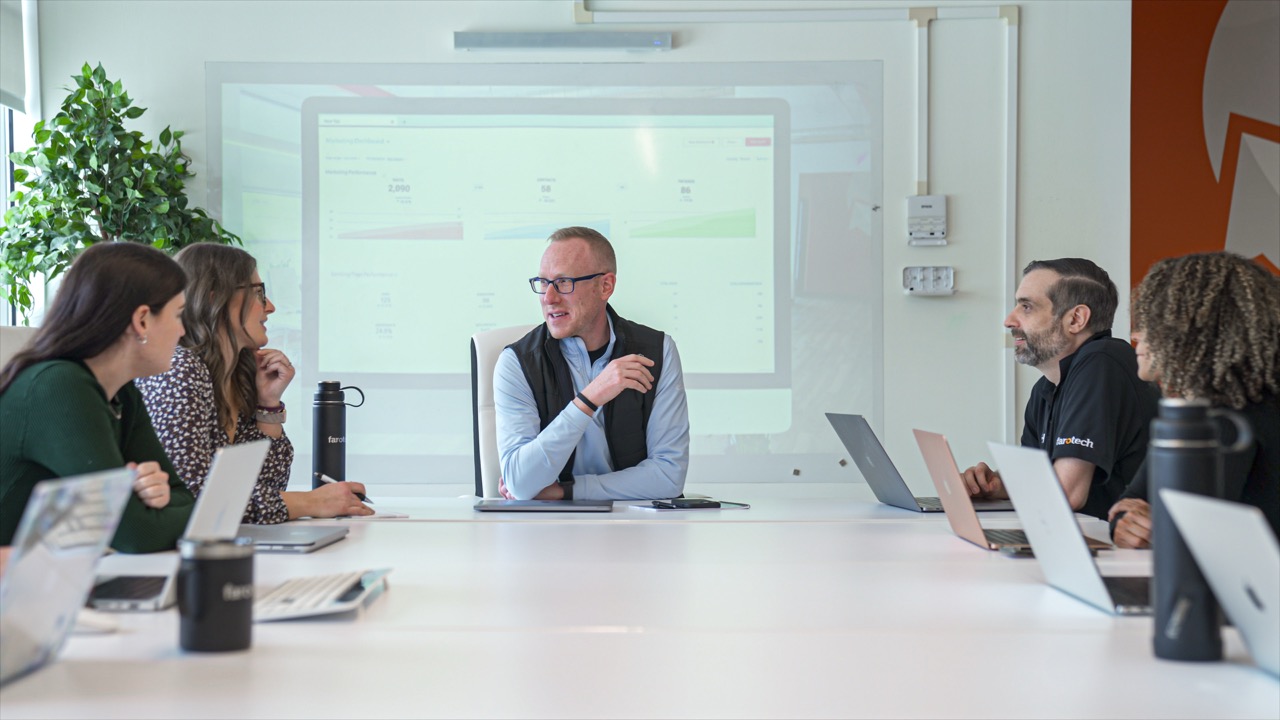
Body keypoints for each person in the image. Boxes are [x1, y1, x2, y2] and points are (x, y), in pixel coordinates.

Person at [135, 244, 371, 522]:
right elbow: (195, 497)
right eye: (259, 293)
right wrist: (311, 502)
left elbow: (267, 488)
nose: (270, 307)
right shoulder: (180, 370)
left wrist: (268, 405)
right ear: (214, 298)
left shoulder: (235, 375)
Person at [0, 242, 196, 553]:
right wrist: (160, 511)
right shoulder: (59, 387)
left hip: (51, 583)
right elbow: (134, 533)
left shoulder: (123, 392)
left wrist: (158, 499)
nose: (182, 331)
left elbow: (179, 495)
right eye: (178, 315)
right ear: (142, 320)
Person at [495, 227, 690, 501]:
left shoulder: (658, 351)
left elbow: (669, 476)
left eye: (563, 282)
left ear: (605, 286)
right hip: (544, 531)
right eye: (543, 282)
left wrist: (568, 491)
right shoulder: (517, 363)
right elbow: (520, 483)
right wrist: (590, 397)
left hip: (635, 527)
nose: (548, 298)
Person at [960, 258, 1161, 520]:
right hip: (1084, 540)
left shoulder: (1102, 361)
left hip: (1126, 550)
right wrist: (997, 486)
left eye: (1027, 307)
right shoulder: (1046, 388)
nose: (1009, 320)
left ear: (1076, 319)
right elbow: (1038, 480)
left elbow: (1067, 494)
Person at [1109, 252, 1280, 547]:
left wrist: (1145, 525)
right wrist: (1124, 524)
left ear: (1198, 330)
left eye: (1154, 322)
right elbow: (1131, 501)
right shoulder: (1191, 415)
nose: (1136, 335)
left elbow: (1200, 536)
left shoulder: (1242, 419)